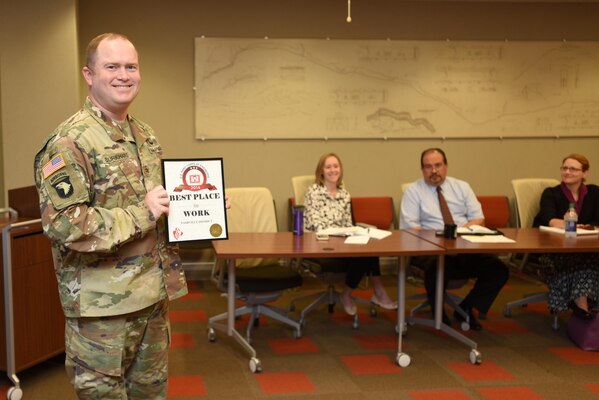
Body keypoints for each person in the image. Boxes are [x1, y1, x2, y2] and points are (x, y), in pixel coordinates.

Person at [34, 33, 188, 399]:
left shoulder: (144, 135)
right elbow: (66, 225)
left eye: (131, 66)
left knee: (150, 394)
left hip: (152, 296)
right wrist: (143, 212)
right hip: (103, 311)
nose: (124, 75)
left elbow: (156, 203)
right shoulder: (70, 141)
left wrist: (201, 206)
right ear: (89, 75)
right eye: (112, 66)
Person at [400, 148, 509, 330]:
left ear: (446, 166)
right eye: (428, 167)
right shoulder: (413, 192)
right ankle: (438, 313)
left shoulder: (462, 187)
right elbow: (411, 228)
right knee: (437, 267)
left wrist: (460, 235)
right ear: (422, 169)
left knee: (498, 270)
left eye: (438, 165)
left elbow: (478, 218)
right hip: (430, 249)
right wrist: (441, 239)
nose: (434, 170)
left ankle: (466, 308)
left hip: (464, 246)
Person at [303, 153, 397, 315]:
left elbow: (347, 224)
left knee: (369, 249)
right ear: (321, 171)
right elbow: (315, 224)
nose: (333, 170)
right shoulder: (313, 192)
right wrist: (340, 233)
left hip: (342, 244)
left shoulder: (344, 194)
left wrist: (353, 232)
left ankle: (353, 293)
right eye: (328, 167)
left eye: (336, 166)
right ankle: (372, 292)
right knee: (364, 256)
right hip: (320, 245)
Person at [533, 153, 599, 319]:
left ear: (584, 173)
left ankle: (583, 302)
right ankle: (582, 302)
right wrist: (572, 225)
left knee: (591, 258)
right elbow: (550, 219)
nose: (567, 172)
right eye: (564, 168)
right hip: (554, 249)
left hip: (586, 245)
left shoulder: (594, 192)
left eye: (573, 169)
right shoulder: (551, 193)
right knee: (584, 261)